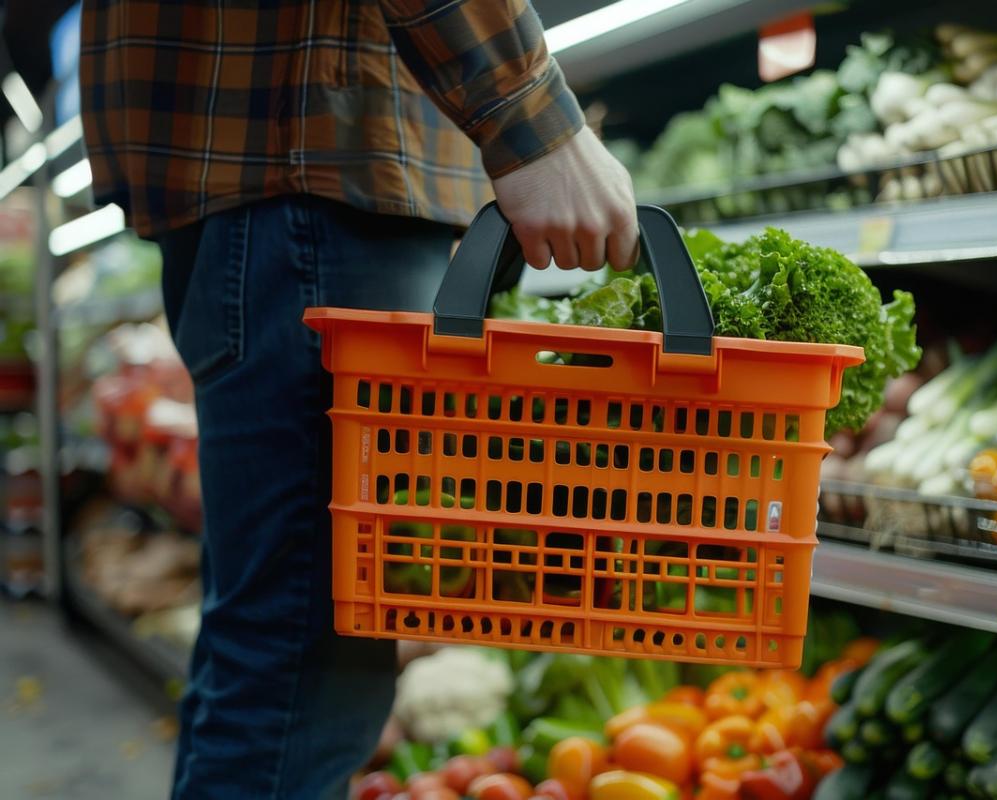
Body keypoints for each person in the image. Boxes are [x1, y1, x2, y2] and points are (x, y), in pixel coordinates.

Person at [80, 2, 638, 797]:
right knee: (305, 676)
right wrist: (533, 118)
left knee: (272, 653)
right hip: (317, 169)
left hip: (281, 174)